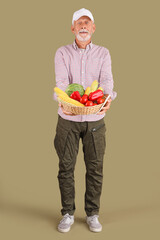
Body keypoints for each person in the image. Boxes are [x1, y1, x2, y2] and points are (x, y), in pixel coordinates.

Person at [53, 8, 117, 233]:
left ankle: (92, 213)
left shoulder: (103, 53)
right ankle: (68, 213)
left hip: (96, 119)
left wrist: (108, 98)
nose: (83, 26)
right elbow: (61, 84)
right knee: (66, 167)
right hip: (67, 119)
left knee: (95, 167)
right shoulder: (62, 52)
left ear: (93, 28)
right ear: (72, 28)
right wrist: (62, 101)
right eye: (79, 22)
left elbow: (107, 82)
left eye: (86, 23)